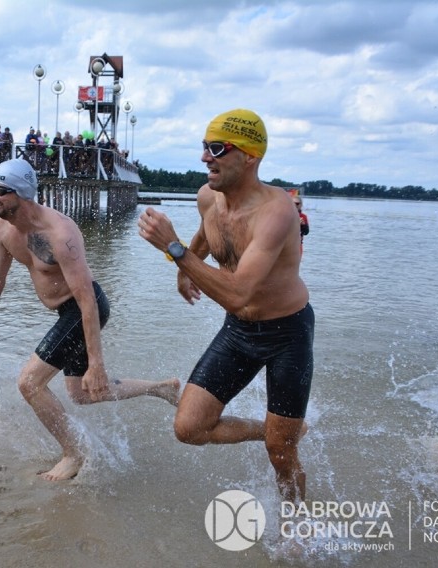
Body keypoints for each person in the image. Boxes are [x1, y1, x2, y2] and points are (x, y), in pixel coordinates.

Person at [0, 159, 179, 481]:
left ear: (23, 194)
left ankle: (74, 454)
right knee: (82, 394)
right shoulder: (2, 230)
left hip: (84, 308)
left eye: (0, 190)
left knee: (29, 383)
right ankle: (161, 388)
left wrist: (97, 363)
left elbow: (87, 300)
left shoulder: (61, 234)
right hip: (66, 312)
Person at [137, 108, 314, 503]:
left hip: (287, 334)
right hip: (239, 331)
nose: (205, 158)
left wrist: (174, 249)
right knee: (190, 428)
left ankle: (297, 524)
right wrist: (183, 269)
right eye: (204, 146)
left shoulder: (276, 212)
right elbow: (206, 237)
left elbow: (238, 292)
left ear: (250, 156)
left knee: (280, 454)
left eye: (217, 148)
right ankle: (276, 431)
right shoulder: (208, 198)